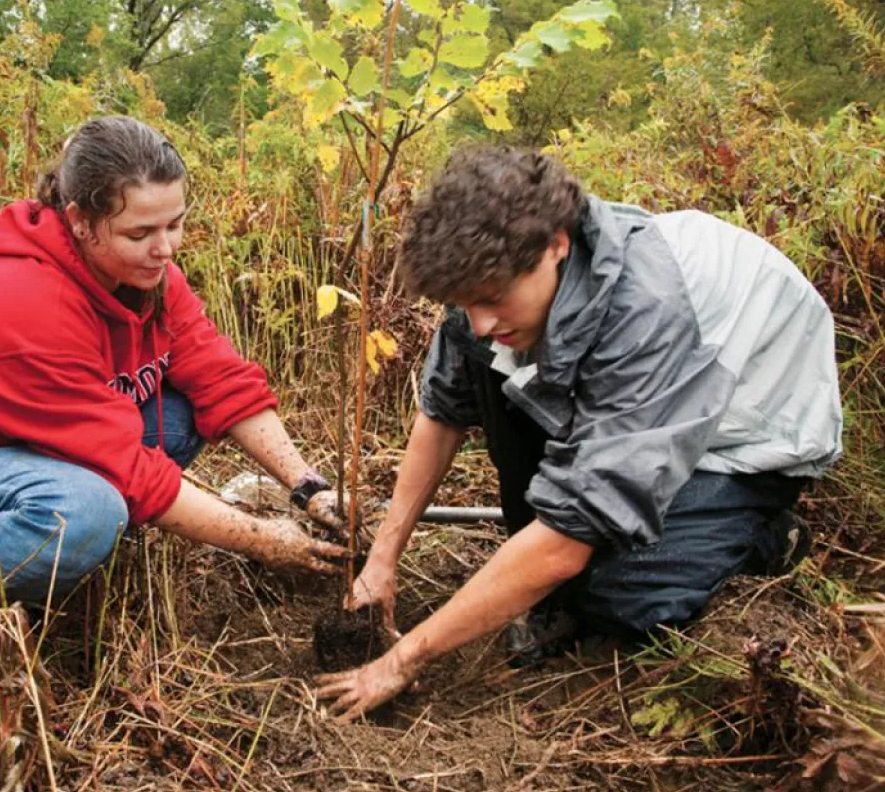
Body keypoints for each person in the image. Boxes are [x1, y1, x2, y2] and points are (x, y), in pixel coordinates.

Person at [317, 146, 842, 721]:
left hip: (741, 442)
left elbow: (567, 544)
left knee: (624, 594)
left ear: (556, 245)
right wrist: (381, 561)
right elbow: (444, 412)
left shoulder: (646, 312)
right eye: (463, 304)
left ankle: (764, 534)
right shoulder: (484, 287)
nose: (480, 322)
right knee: (498, 394)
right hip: (635, 410)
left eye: (492, 300)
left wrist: (403, 659)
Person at [0, 116, 347, 667]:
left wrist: (307, 486)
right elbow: (128, 468)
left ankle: (59, 560)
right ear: (81, 221)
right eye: (140, 234)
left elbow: (219, 378)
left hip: (19, 447)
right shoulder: (23, 302)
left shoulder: (146, 278)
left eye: (175, 224)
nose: (165, 249)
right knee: (84, 511)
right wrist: (262, 539)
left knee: (178, 417)